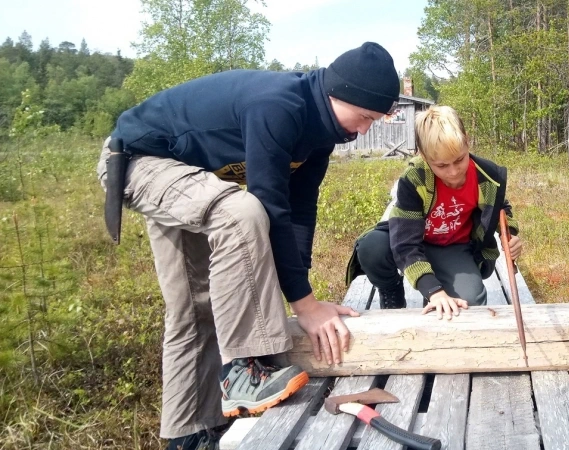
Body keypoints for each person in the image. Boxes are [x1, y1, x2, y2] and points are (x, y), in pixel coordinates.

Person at [96, 42, 400, 449]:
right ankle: (243, 370)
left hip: (192, 172)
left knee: (194, 308)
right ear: (334, 94)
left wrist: (302, 287)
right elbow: (269, 205)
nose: (364, 129)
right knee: (241, 213)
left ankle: (188, 435)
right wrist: (304, 305)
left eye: (375, 121)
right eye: (364, 117)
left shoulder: (322, 136)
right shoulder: (278, 105)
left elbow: (298, 210)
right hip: (138, 161)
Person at [346, 105, 522, 319]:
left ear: (467, 141)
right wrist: (434, 291)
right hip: (411, 238)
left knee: (471, 302)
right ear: (424, 156)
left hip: (452, 245)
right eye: (441, 165)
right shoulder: (414, 179)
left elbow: (501, 208)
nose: (453, 172)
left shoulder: (488, 176)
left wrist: (510, 236)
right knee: (371, 248)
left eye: (459, 160)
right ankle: (391, 289)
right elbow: (405, 244)